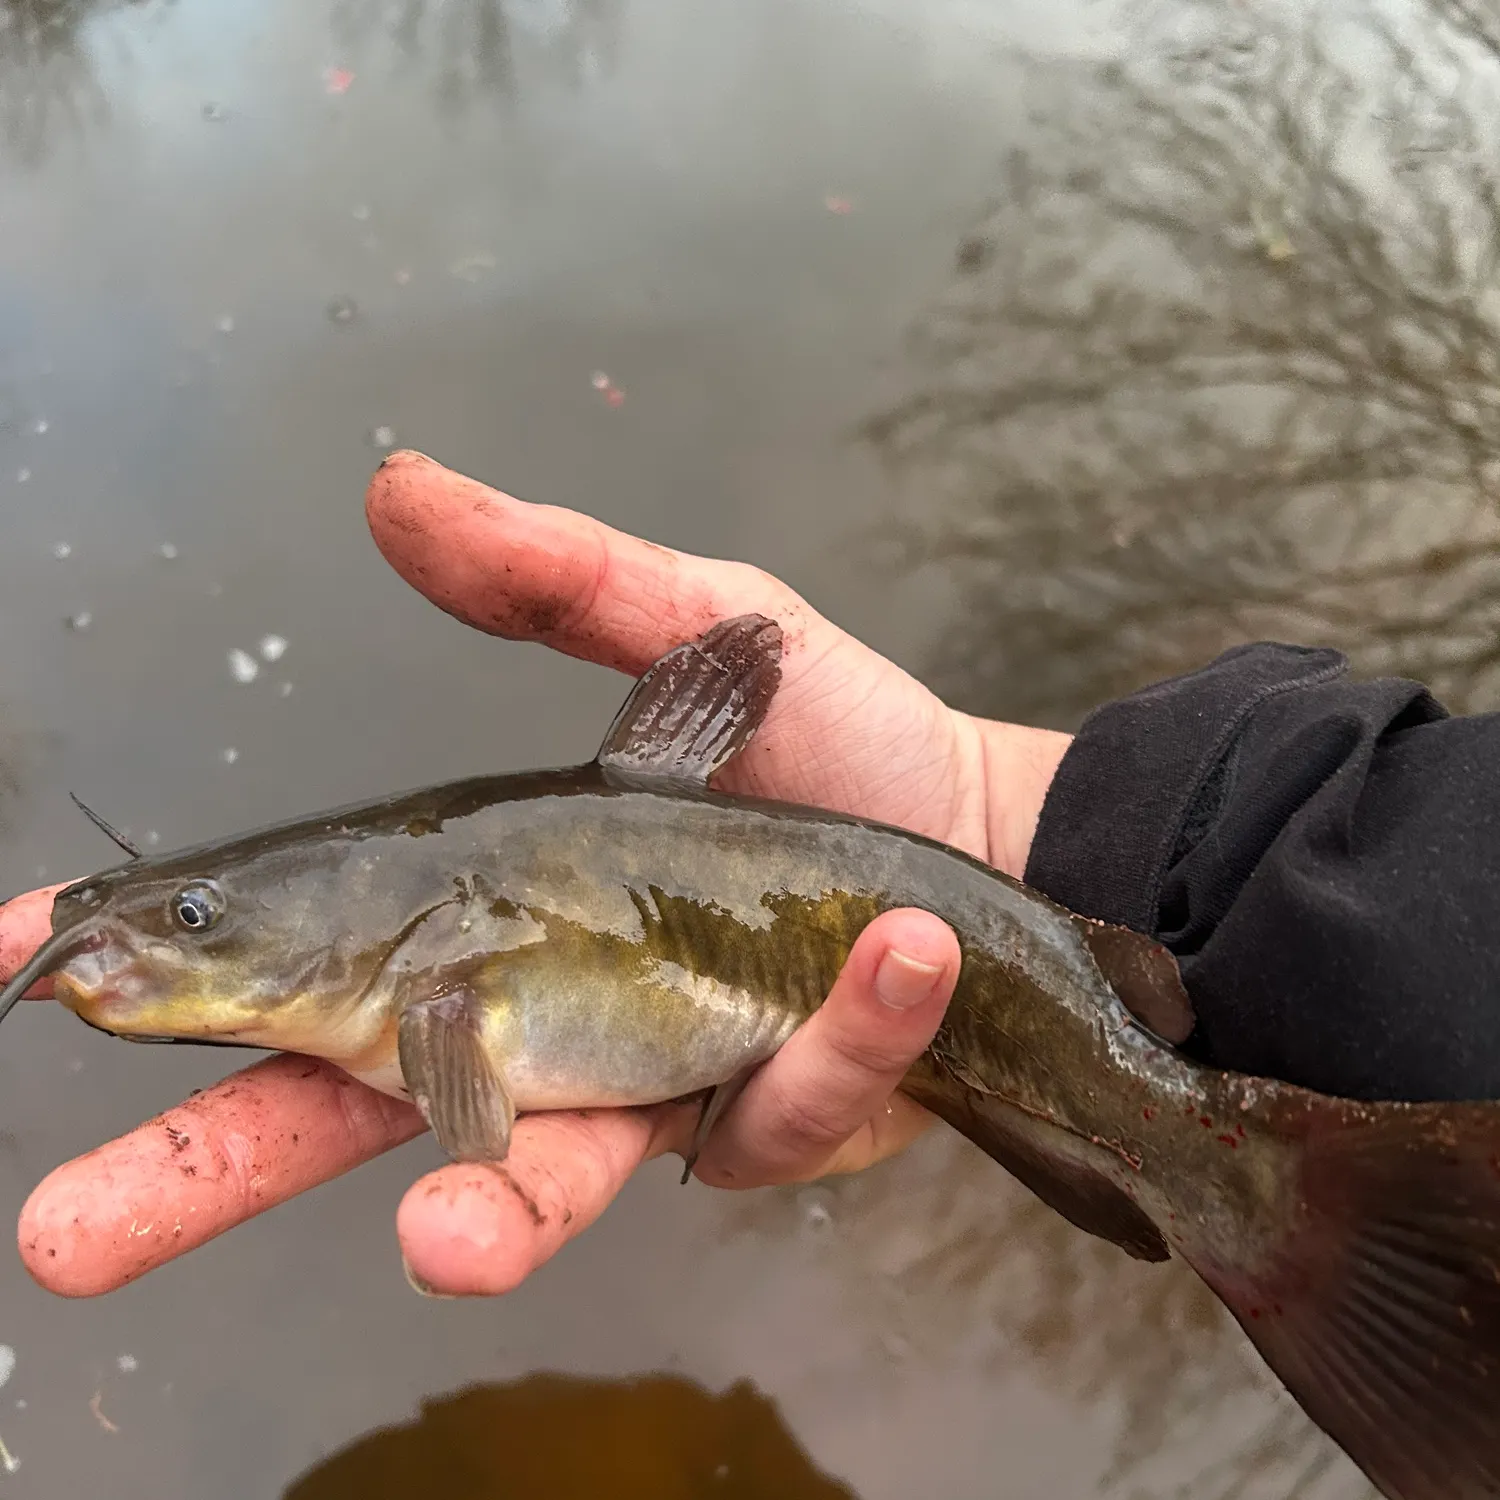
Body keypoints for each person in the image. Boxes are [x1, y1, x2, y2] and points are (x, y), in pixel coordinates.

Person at [0, 450, 1492, 1300]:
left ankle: (1300, 1209)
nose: (166, 934)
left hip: (1058, 980)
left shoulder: (444, 994)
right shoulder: (423, 958)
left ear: (406, 929)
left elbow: (472, 1110)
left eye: (198, 916)